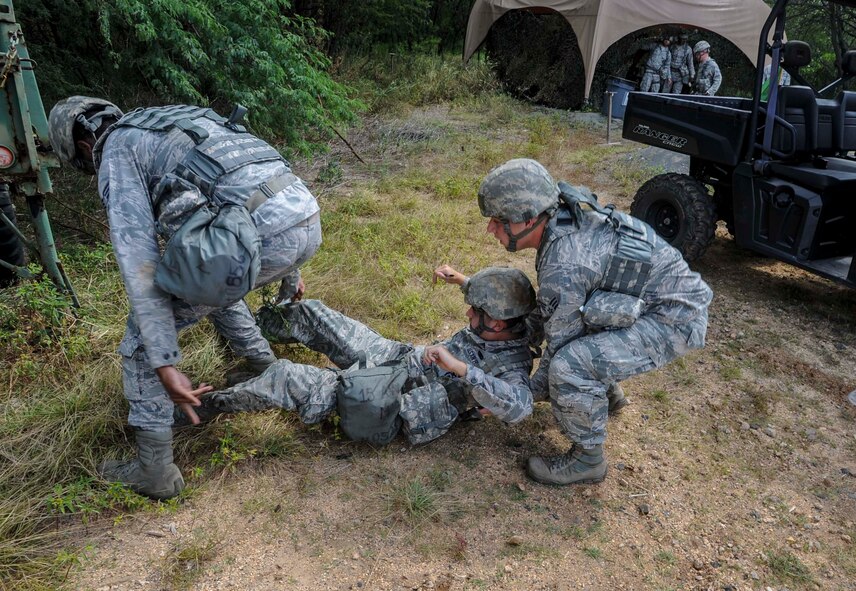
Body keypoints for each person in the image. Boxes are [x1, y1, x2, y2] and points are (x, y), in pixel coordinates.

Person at [48, 97, 323, 499]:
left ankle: (154, 471)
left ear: (83, 147)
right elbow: (245, 178)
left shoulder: (119, 151)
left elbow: (138, 258)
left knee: (142, 336)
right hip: (306, 219)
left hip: (257, 238)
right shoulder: (175, 121)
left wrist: (163, 358)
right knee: (206, 276)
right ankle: (259, 364)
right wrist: (289, 267)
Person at [477, 158, 712, 486]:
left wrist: (508, 395)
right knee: (578, 328)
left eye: (498, 221)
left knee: (569, 366)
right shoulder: (563, 221)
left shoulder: (565, 265)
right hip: (654, 300)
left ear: (528, 219)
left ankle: (588, 459)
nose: (491, 229)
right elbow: (555, 314)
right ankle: (607, 394)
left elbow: (555, 356)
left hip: (675, 318)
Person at [183, 267, 537, 446]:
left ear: (496, 320)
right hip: (400, 359)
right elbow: (501, 298)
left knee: (288, 378)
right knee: (315, 314)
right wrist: (463, 280)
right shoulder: (508, 318)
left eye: (475, 311)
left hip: (393, 400)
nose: (468, 316)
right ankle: (247, 328)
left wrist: (459, 368)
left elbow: (521, 406)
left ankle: (198, 405)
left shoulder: (512, 365)